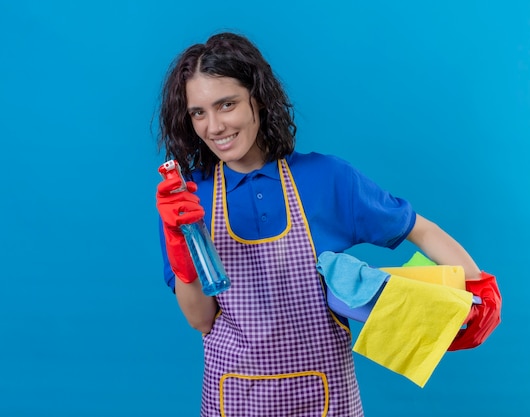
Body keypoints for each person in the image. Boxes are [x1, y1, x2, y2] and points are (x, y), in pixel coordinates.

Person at [155, 32, 500, 416]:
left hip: (326, 396)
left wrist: (477, 287)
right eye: (198, 112)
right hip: (234, 394)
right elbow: (201, 319)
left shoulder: (326, 178)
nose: (214, 126)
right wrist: (179, 243)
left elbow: (419, 228)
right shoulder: (188, 202)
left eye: (227, 104)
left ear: (258, 98)